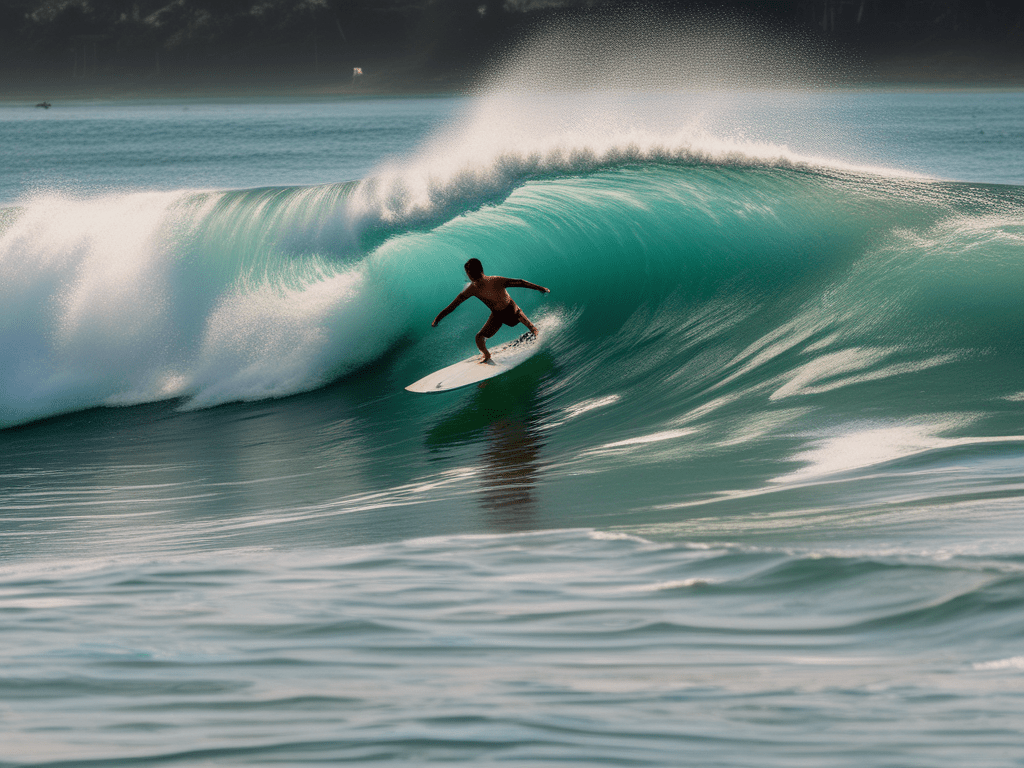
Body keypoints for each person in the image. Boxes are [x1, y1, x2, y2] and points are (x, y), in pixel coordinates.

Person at [432, 258, 550, 363]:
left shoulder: (496, 280)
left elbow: (520, 282)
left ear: (476, 272)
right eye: (467, 272)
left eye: (468, 272)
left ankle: (534, 331)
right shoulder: (472, 289)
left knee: (521, 317)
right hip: (497, 316)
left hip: (512, 310)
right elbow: (453, 305)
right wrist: (438, 318)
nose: (468, 275)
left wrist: (541, 288)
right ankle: (487, 355)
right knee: (479, 338)